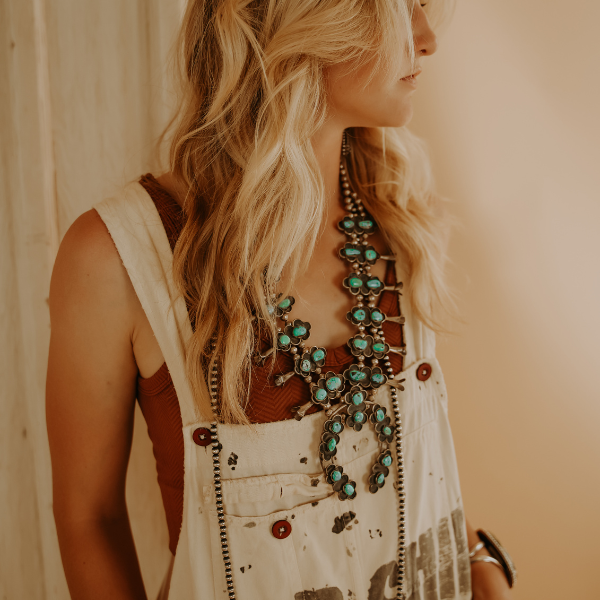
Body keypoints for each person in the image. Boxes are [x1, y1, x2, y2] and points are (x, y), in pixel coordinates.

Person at [46, 1, 515, 598]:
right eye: (397, 8)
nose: (426, 39)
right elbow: (89, 518)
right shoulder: (117, 255)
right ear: (303, 19)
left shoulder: (396, 212)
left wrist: (479, 561)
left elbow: (414, 465)